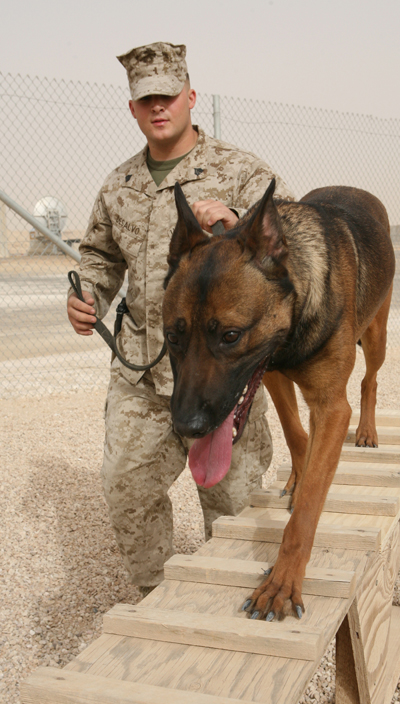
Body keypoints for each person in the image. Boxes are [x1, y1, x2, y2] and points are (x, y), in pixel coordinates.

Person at [67, 42, 294, 594]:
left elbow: (291, 228)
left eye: (168, 96)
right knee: (127, 488)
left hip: (219, 373)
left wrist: (240, 219)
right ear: (133, 109)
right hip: (144, 373)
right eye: (146, 100)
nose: (158, 107)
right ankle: (157, 597)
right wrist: (89, 293)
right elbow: (99, 256)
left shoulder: (240, 170)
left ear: (191, 97)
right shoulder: (118, 186)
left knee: (234, 504)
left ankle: (231, 603)